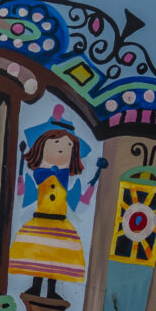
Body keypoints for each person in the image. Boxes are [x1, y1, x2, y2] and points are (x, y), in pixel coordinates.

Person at [8, 105, 103, 299]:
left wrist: (91, 187)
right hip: (40, 220)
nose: (64, 148)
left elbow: (78, 200)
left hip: (60, 222)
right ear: (43, 145)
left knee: (55, 259)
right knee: (39, 256)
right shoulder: (38, 173)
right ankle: (35, 287)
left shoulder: (68, 178)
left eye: (69, 146)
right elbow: (24, 194)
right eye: (58, 142)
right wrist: (20, 183)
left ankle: (52, 291)